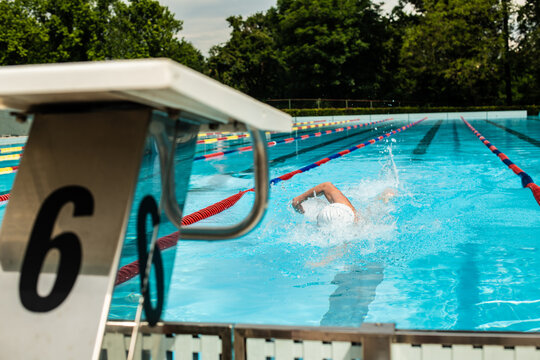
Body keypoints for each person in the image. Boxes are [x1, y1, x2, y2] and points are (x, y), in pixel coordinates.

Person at [292, 182, 396, 227]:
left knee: (377, 205)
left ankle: (385, 196)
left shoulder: (357, 224)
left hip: (363, 221)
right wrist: (299, 200)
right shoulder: (344, 210)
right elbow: (326, 186)